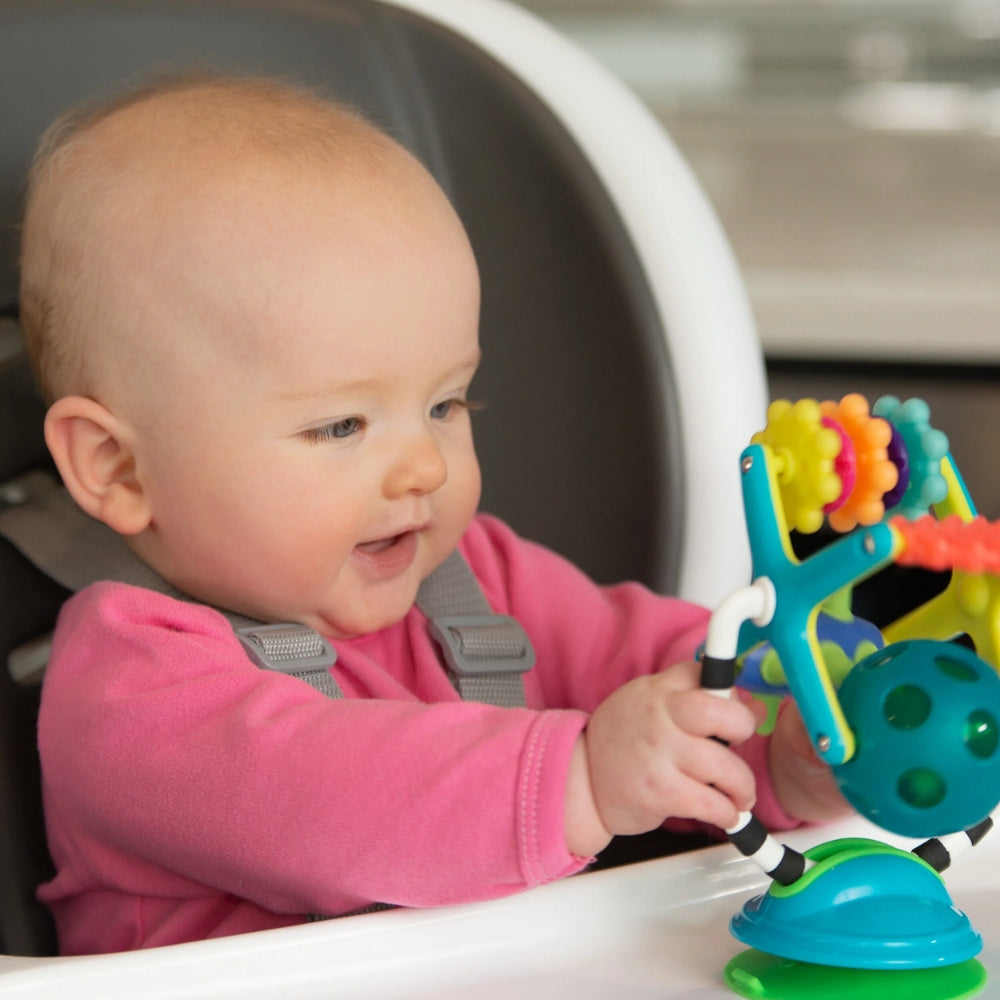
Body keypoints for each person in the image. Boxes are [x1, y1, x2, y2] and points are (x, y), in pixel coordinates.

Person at [19, 74, 850, 956]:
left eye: (446, 404)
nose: (426, 466)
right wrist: (583, 777)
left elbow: (656, 666)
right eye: (341, 425)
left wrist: (782, 744)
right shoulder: (129, 691)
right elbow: (332, 803)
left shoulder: (473, 582)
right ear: (119, 467)